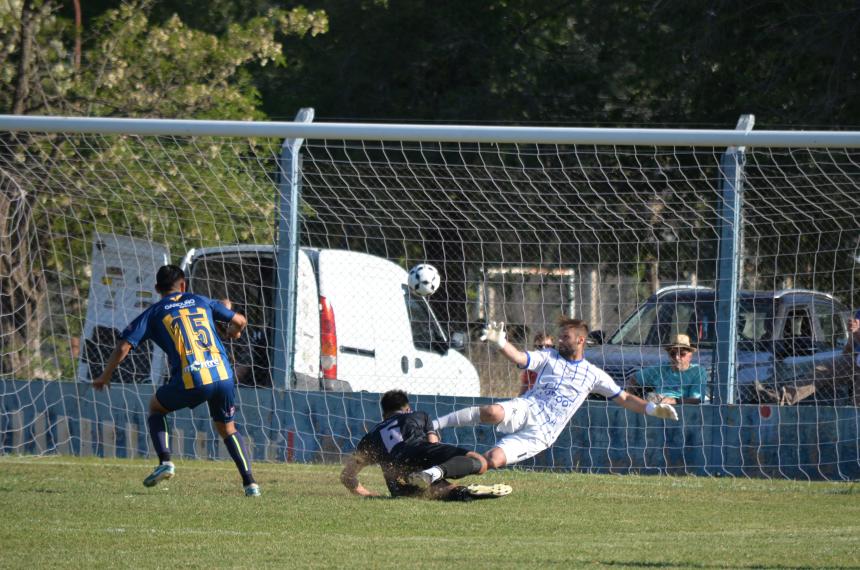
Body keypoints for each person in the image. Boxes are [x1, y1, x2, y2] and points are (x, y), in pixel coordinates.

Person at [93, 265, 261, 497]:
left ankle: (166, 461)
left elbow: (123, 346)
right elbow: (240, 320)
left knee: (155, 407)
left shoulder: (154, 312)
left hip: (192, 376)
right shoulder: (200, 300)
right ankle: (250, 484)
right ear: (183, 285)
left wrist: (105, 375)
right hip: (223, 373)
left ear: (156, 289)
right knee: (227, 428)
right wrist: (234, 332)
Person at [432, 318, 679, 469]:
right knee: (492, 411)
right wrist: (500, 343)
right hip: (526, 408)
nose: (560, 341)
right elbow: (519, 357)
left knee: (493, 459)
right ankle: (434, 425)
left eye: (565, 337)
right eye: (560, 336)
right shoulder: (548, 357)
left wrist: (651, 408)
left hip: (543, 433)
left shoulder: (593, 375)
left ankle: (440, 471)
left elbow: (624, 398)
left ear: (581, 340)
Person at [340, 390, 512, 501]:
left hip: (397, 481)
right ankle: (436, 473)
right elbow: (433, 443)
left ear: (384, 415)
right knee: (479, 462)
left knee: (439, 490)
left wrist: (369, 495)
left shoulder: (370, 438)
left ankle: (462, 493)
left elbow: (347, 476)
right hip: (419, 451)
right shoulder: (417, 416)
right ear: (407, 409)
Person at [755, 310, 860, 406]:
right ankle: (780, 398)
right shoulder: (858, 314)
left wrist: (857, 332)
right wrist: (853, 334)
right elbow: (849, 350)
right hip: (855, 360)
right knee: (821, 371)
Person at [626, 334, 707, 405]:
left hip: (682, 407)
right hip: (657, 405)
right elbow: (634, 379)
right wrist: (631, 401)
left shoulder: (698, 371)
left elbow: (697, 399)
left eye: (682, 354)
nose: (677, 357)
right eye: (672, 354)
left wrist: (674, 401)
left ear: (690, 355)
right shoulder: (660, 369)